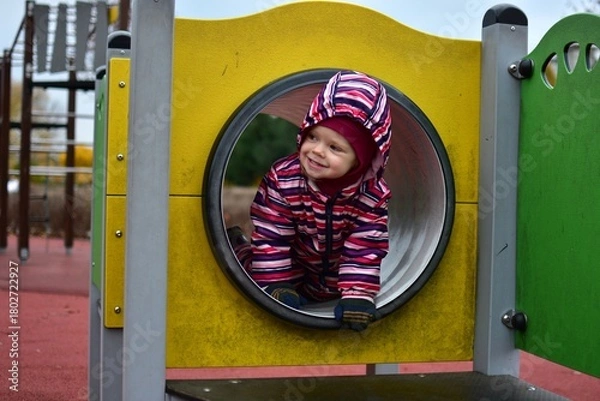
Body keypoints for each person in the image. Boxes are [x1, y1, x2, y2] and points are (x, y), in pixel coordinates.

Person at [230, 70, 392, 331]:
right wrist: (276, 284)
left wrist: (358, 295)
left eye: (334, 147)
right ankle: (236, 244)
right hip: (289, 258)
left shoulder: (371, 195)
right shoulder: (284, 180)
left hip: (330, 271)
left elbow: (365, 247)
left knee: (326, 293)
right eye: (313, 137)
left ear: (359, 160)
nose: (317, 150)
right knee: (252, 264)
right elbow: (272, 236)